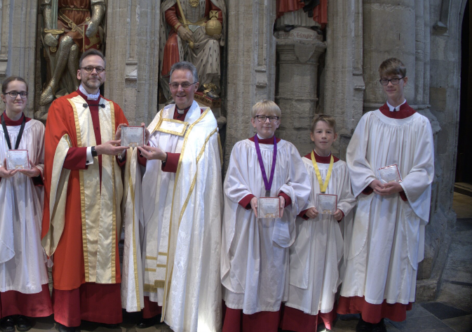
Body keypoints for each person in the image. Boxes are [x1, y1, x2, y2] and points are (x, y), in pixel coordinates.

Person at [122, 61, 223, 331]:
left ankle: (179, 312)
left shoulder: (205, 120)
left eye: (185, 84)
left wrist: (164, 157)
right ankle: (153, 311)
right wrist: (140, 146)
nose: (180, 90)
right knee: (154, 250)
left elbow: (201, 163)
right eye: (175, 84)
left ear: (196, 87)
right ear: (170, 87)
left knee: (180, 252)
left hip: (186, 205)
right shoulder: (162, 115)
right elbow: (148, 151)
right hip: (158, 197)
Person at [338, 58, 434, 332]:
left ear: (405, 81)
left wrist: (402, 186)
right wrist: (370, 181)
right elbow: (355, 159)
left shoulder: (420, 124)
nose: (390, 85)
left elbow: (425, 168)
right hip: (374, 203)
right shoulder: (370, 120)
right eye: (385, 80)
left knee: (393, 260)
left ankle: (381, 314)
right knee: (368, 258)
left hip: (400, 207)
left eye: (395, 79)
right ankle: (366, 316)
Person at [42, 50, 129, 332]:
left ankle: (103, 315)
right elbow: (57, 153)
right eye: (89, 68)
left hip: (107, 195)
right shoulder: (61, 106)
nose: (94, 73)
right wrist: (96, 150)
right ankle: (69, 317)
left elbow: (124, 155)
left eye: (99, 69)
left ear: (104, 74)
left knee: (106, 251)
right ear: (79, 73)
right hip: (75, 193)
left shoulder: (114, 109)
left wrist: (129, 150)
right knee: (73, 255)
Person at [221, 100, 311, 332]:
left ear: (279, 122)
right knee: (244, 268)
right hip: (249, 222)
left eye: (272, 118)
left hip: (276, 222)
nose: (267, 121)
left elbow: (301, 183)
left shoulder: (288, 149)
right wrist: (250, 199)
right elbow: (232, 182)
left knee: (272, 273)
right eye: (261, 117)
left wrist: (284, 197)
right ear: (253, 121)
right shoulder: (242, 148)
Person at [0, 76, 52, 332]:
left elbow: (44, 163)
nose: (18, 98)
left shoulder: (37, 128)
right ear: (3, 97)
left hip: (28, 200)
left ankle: (25, 310)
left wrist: (36, 171)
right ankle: (6, 311)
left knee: (27, 252)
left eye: (22, 94)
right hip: (1, 201)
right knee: (4, 254)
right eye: (13, 93)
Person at [280, 115, 356, 332]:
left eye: (328, 132)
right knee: (302, 272)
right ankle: (299, 321)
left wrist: (342, 210)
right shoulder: (302, 164)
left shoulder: (341, 168)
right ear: (312, 136)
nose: (324, 136)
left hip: (330, 229)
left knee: (328, 271)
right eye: (320, 132)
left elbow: (349, 197)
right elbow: (291, 192)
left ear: (335, 137)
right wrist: (304, 209)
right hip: (308, 229)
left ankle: (324, 319)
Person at [40, 0, 107, 106]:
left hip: (83, 22)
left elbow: (98, 4)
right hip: (61, 21)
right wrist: (49, 29)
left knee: (68, 41)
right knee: (72, 49)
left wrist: (95, 21)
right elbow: (48, 4)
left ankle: (52, 85)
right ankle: (74, 90)